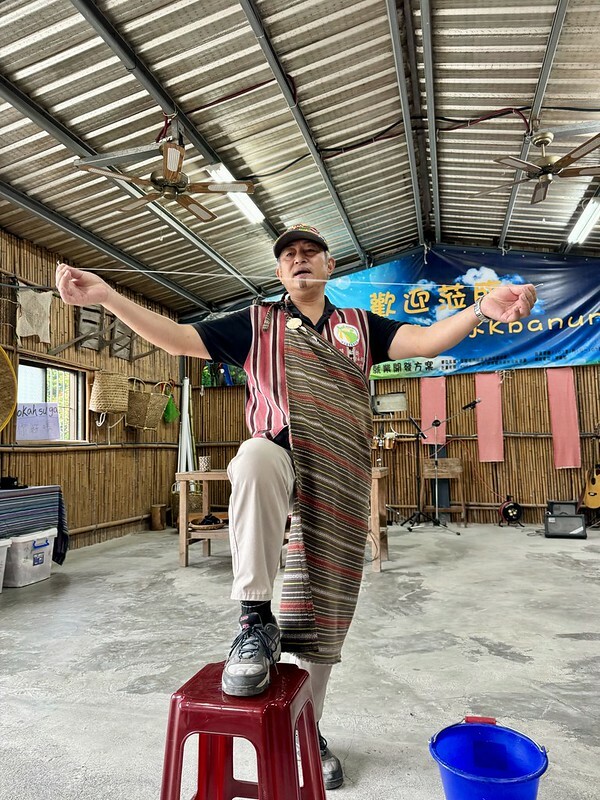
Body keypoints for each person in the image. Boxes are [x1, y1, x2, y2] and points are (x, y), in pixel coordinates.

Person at [56, 224, 536, 790]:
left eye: (310, 252)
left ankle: (310, 729)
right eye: (288, 255)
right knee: (253, 457)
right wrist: (107, 296)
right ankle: (254, 619)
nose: (299, 259)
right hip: (281, 453)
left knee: (324, 607)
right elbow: (177, 338)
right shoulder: (258, 323)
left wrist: (481, 309)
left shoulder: (359, 326)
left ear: (330, 266)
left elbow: (427, 341)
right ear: (279, 272)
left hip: (339, 471)